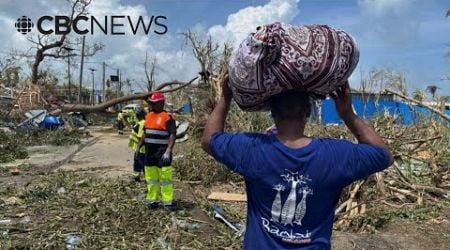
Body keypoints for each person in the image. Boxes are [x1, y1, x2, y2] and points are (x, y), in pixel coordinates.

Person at [201, 76, 394, 250]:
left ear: (272, 112)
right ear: (308, 111)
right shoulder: (335, 155)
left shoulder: (253, 149)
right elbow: (383, 155)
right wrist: (347, 114)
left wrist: (225, 98)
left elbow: (209, 140)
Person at [138, 92, 177, 211]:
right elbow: (145, 133)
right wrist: (139, 146)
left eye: (154, 103)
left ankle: (168, 202)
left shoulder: (167, 117)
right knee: (151, 179)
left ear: (161, 103)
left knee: (165, 179)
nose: (152, 105)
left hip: (162, 153)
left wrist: (168, 150)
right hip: (149, 153)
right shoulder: (148, 116)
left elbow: (172, 135)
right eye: (151, 103)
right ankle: (152, 201)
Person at [128, 107, 147, 182]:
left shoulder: (141, 123)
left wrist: (138, 148)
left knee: (141, 164)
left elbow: (141, 137)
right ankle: (137, 177)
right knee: (138, 163)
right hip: (140, 148)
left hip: (141, 149)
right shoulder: (140, 123)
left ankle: (145, 179)